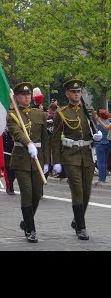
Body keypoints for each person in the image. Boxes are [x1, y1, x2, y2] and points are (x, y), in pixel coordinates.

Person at [51, 79, 102, 240]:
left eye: (79, 91)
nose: (77, 94)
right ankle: (81, 227)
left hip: (86, 155)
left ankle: (77, 219)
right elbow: (55, 139)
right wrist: (56, 161)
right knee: (77, 190)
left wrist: (97, 136)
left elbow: (93, 130)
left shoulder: (88, 110)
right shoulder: (61, 113)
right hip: (70, 155)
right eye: (73, 92)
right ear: (67, 94)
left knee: (87, 191)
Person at [6, 82, 49, 243]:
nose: (26, 97)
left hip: (37, 159)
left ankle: (26, 221)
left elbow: (45, 140)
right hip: (21, 159)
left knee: (37, 194)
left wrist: (47, 161)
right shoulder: (12, 115)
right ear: (16, 97)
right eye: (23, 95)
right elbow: (16, 132)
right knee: (27, 192)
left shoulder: (40, 114)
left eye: (28, 94)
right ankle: (31, 230)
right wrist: (28, 143)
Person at [93, 109, 110, 185]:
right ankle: (104, 177)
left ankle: (101, 179)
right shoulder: (108, 122)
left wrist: (97, 119)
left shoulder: (99, 124)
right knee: (105, 161)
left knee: (101, 162)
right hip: (107, 143)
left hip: (100, 144)